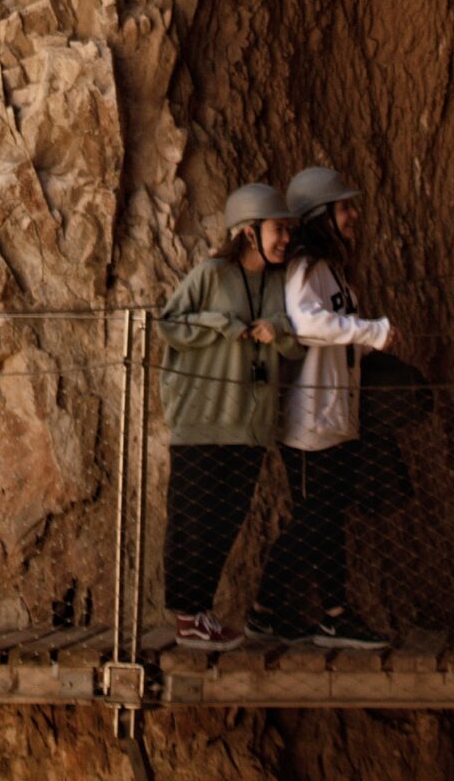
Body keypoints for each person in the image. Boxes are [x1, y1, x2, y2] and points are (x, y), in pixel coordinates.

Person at [251, 164, 396, 649]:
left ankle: (320, 614)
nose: (353, 215)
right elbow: (306, 323)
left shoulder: (331, 268)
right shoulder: (304, 268)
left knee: (324, 516)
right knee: (316, 517)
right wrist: (373, 331)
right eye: (344, 208)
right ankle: (275, 610)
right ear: (320, 216)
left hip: (335, 412)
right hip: (309, 418)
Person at [156, 182, 299, 650]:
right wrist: (223, 327)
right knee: (192, 518)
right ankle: (187, 616)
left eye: (287, 230)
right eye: (278, 229)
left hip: (250, 425)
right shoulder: (212, 275)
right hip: (201, 418)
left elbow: (296, 341)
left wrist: (273, 328)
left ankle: (201, 613)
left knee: (225, 519)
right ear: (249, 232)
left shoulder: (280, 284)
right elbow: (169, 324)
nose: (285, 239)